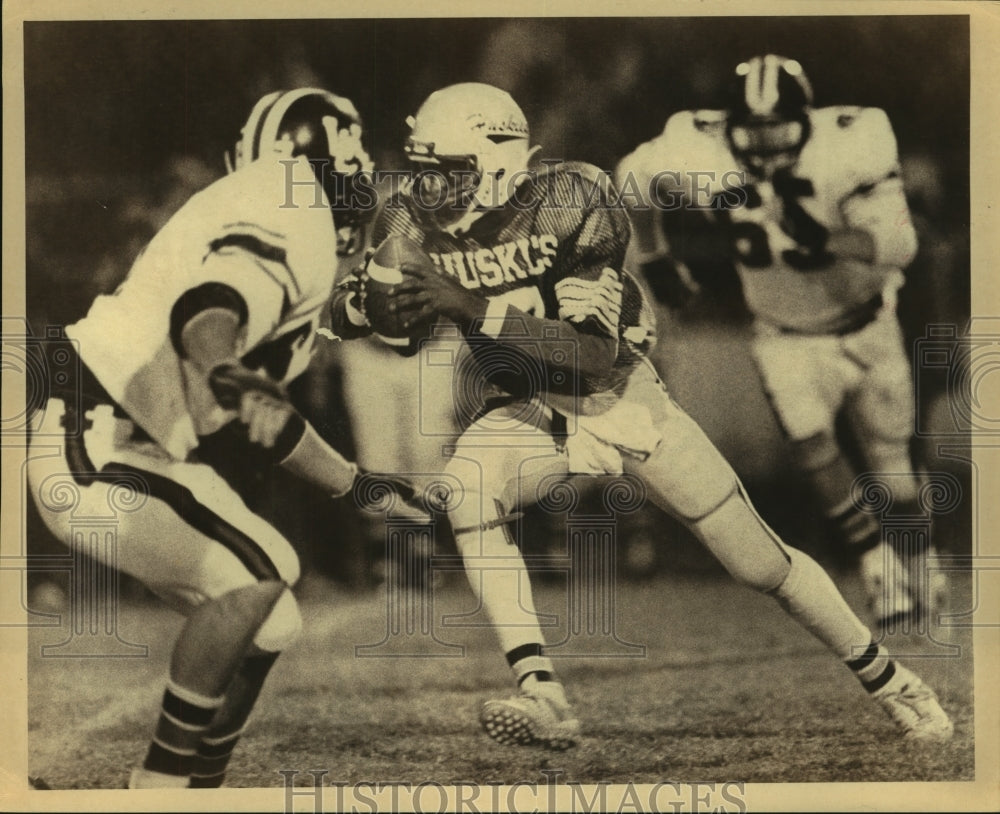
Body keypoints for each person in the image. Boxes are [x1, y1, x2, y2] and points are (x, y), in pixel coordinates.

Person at [329, 81, 954, 751]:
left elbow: (594, 355)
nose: (429, 187)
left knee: (760, 564)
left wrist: (467, 305)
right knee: (466, 492)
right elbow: (374, 324)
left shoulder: (570, 200)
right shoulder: (408, 217)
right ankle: (545, 695)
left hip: (619, 398)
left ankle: (894, 682)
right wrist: (362, 304)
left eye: (448, 170)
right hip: (529, 405)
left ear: (501, 159)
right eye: (423, 168)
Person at [27, 88, 390, 788]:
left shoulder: (284, 215)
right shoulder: (293, 198)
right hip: (94, 436)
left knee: (273, 616)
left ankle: (201, 785)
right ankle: (162, 789)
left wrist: (357, 485)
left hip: (131, 443)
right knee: (261, 569)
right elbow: (211, 304)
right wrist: (228, 367)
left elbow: (265, 421)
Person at [615, 54, 943, 629]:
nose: (766, 148)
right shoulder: (699, 148)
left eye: (779, 129)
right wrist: (653, 251)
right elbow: (631, 179)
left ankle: (923, 564)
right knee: (811, 445)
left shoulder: (852, 141)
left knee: (895, 474)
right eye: (754, 132)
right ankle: (875, 567)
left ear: (807, 120)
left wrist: (825, 238)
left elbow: (899, 245)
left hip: (868, 322)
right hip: (781, 331)